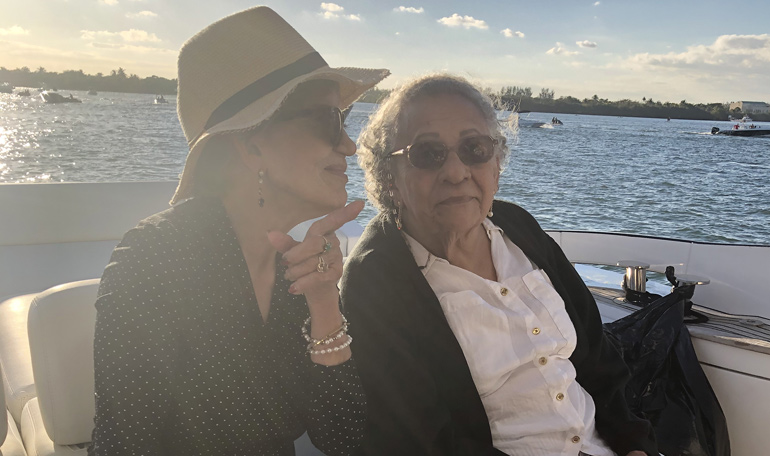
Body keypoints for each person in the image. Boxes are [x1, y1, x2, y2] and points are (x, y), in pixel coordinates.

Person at [89, 7, 388, 455]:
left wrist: (325, 302)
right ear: (250, 144)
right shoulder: (158, 258)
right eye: (328, 121)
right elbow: (124, 447)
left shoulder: (301, 266)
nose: (347, 144)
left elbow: (342, 438)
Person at [342, 74, 657, 456]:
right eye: (427, 154)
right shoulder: (377, 277)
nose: (457, 172)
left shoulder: (518, 227)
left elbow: (598, 358)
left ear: (496, 163)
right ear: (388, 176)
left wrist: (634, 444)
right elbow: (421, 439)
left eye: (474, 148)